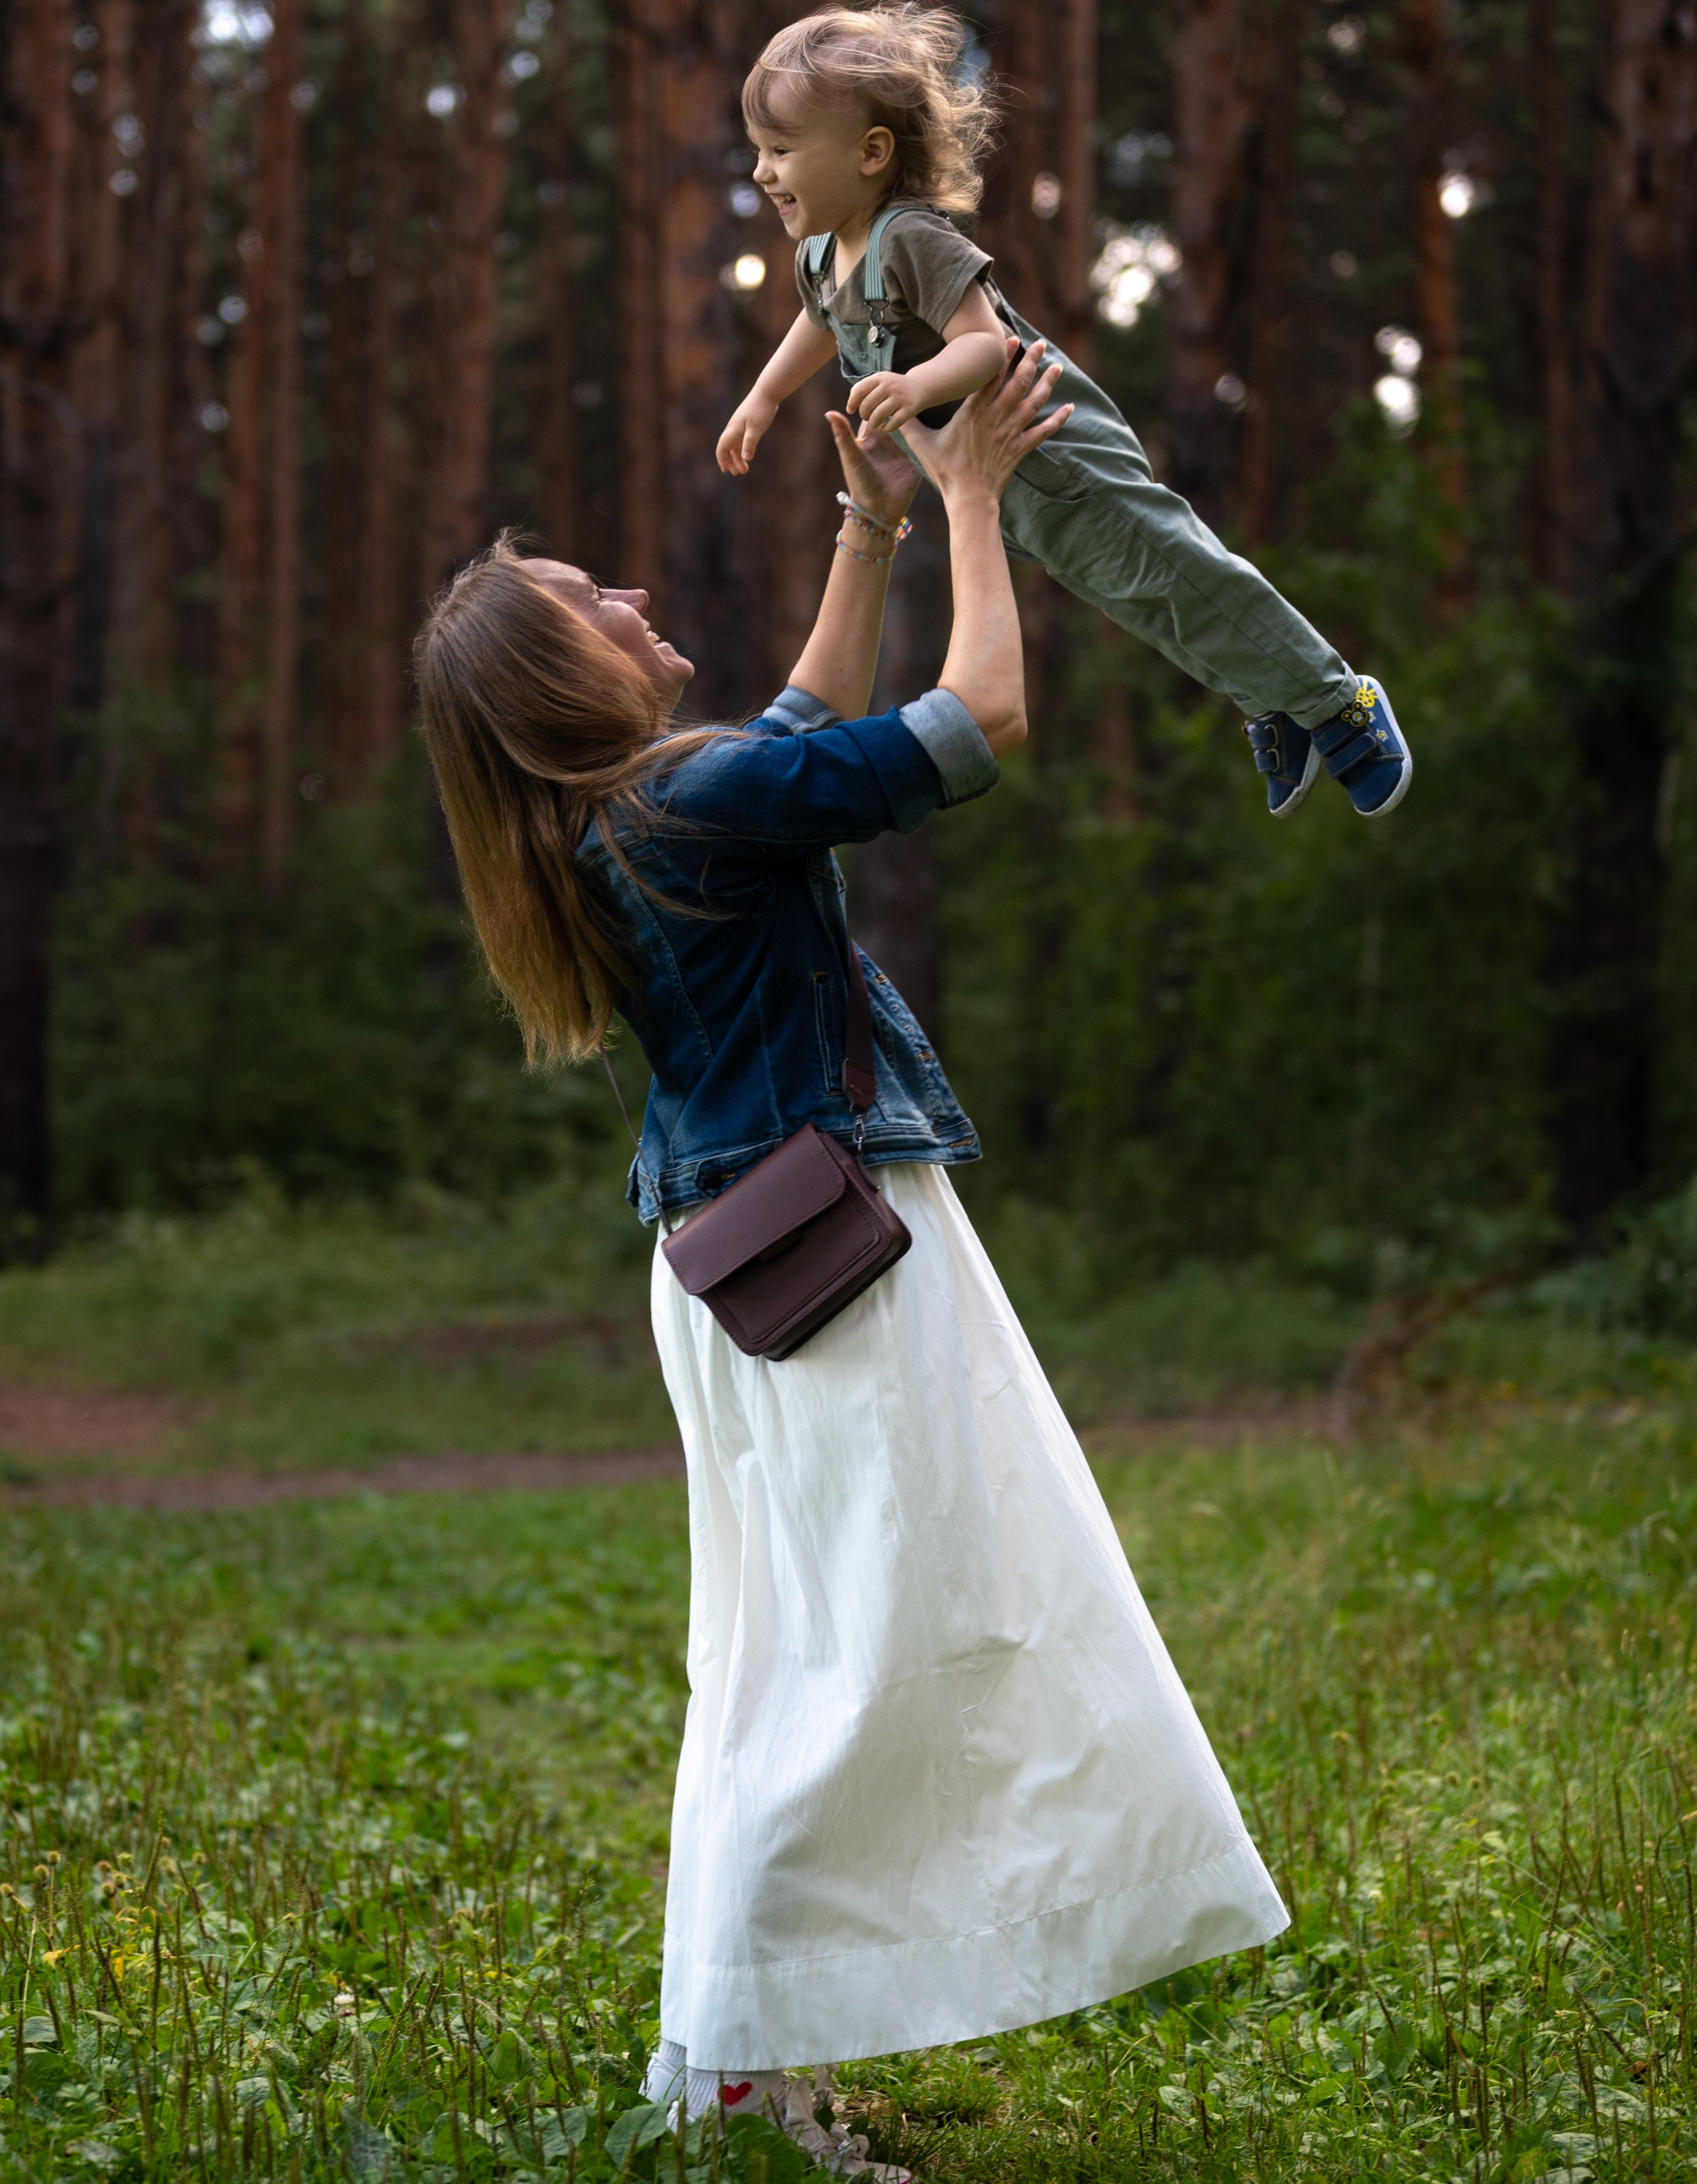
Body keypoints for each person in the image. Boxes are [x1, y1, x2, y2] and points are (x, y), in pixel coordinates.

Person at [415, 342, 1289, 2181]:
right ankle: (738, 2059)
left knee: (786, 1654)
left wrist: (868, 517)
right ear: (560, 667)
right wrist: (978, 502)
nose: (634, 595)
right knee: (844, 1660)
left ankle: (740, 2055)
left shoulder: (629, 812)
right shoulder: (689, 804)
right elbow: (978, 722)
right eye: (593, 595)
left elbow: (807, 721)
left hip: (749, 1268)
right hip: (836, 1260)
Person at [715, 0, 1411, 823]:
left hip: (1056, 447)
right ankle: (1269, 695)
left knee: (1176, 572)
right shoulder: (820, 255)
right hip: (1001, 482)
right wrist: (764, 396)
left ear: (870, 154)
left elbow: (986, 345)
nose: (762, 172)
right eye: (758, 150)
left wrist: (917, 386)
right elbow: (816, 322)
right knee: (1138, 598)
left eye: (783, 150)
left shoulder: (910, 236)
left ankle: (1338, 702)